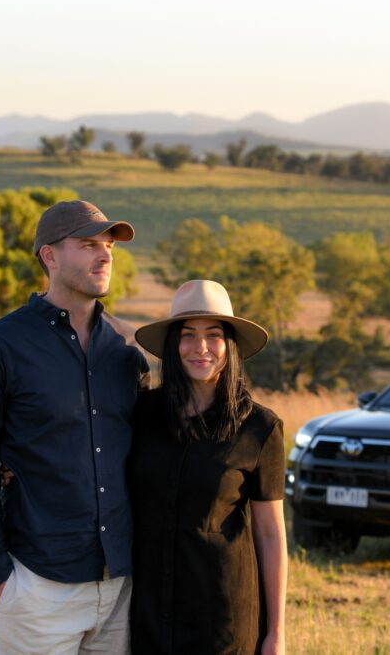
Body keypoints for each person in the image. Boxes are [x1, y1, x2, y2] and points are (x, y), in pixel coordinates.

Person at [0, 200, 149, 654]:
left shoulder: (125, 349)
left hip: (120, 587)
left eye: (108, 247)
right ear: (50, 257)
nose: (105, 256)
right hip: (38, 586)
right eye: (88, 245)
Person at [130, 279, 288, 655]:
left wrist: (276, 633)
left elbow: (270, 536)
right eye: (187, 335)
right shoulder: (140, 415)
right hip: (146, 613)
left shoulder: (260, 429)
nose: (200, 348)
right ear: (172, 345)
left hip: (223, 616)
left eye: (213, 335)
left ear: (230, 345)